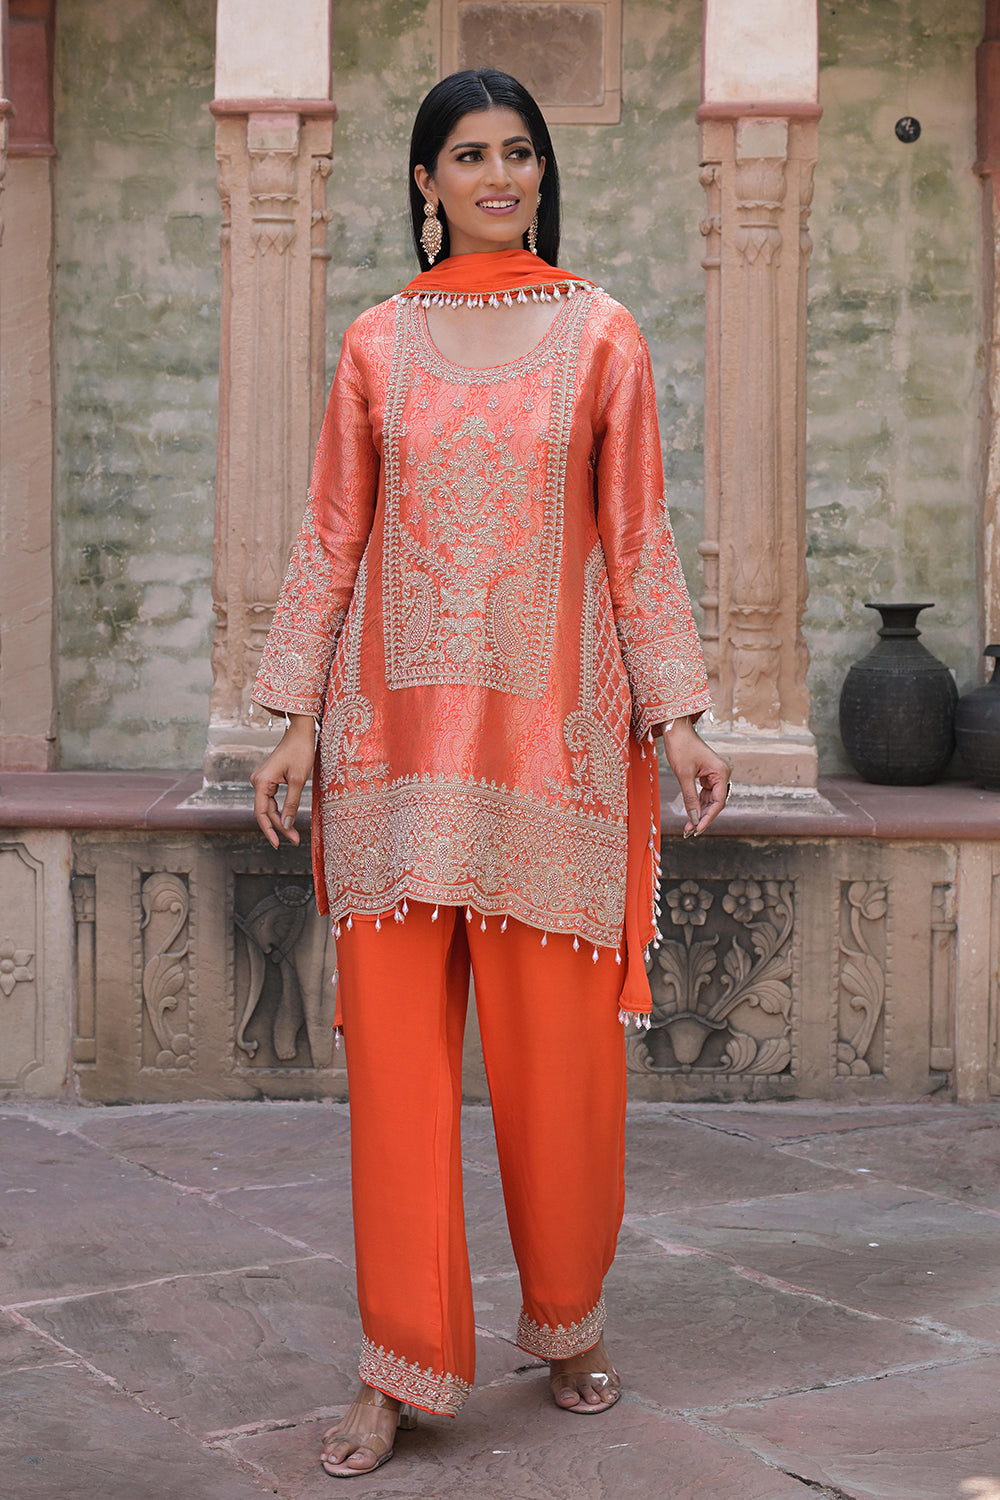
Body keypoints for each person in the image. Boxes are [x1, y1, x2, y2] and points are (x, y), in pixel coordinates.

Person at [250, 68, 729, 1479]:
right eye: (469, 154)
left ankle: (567, 1318)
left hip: (555, 758)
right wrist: (291, 714)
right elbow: (333, 533)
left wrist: (679, 714)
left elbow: (636, 535)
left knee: (561, 1074)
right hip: (389, 757)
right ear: (426, 181)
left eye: (520, 151)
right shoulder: (375, 344)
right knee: (398, 1085)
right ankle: (394, 1365)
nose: (500, 175)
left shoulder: (603, 336)